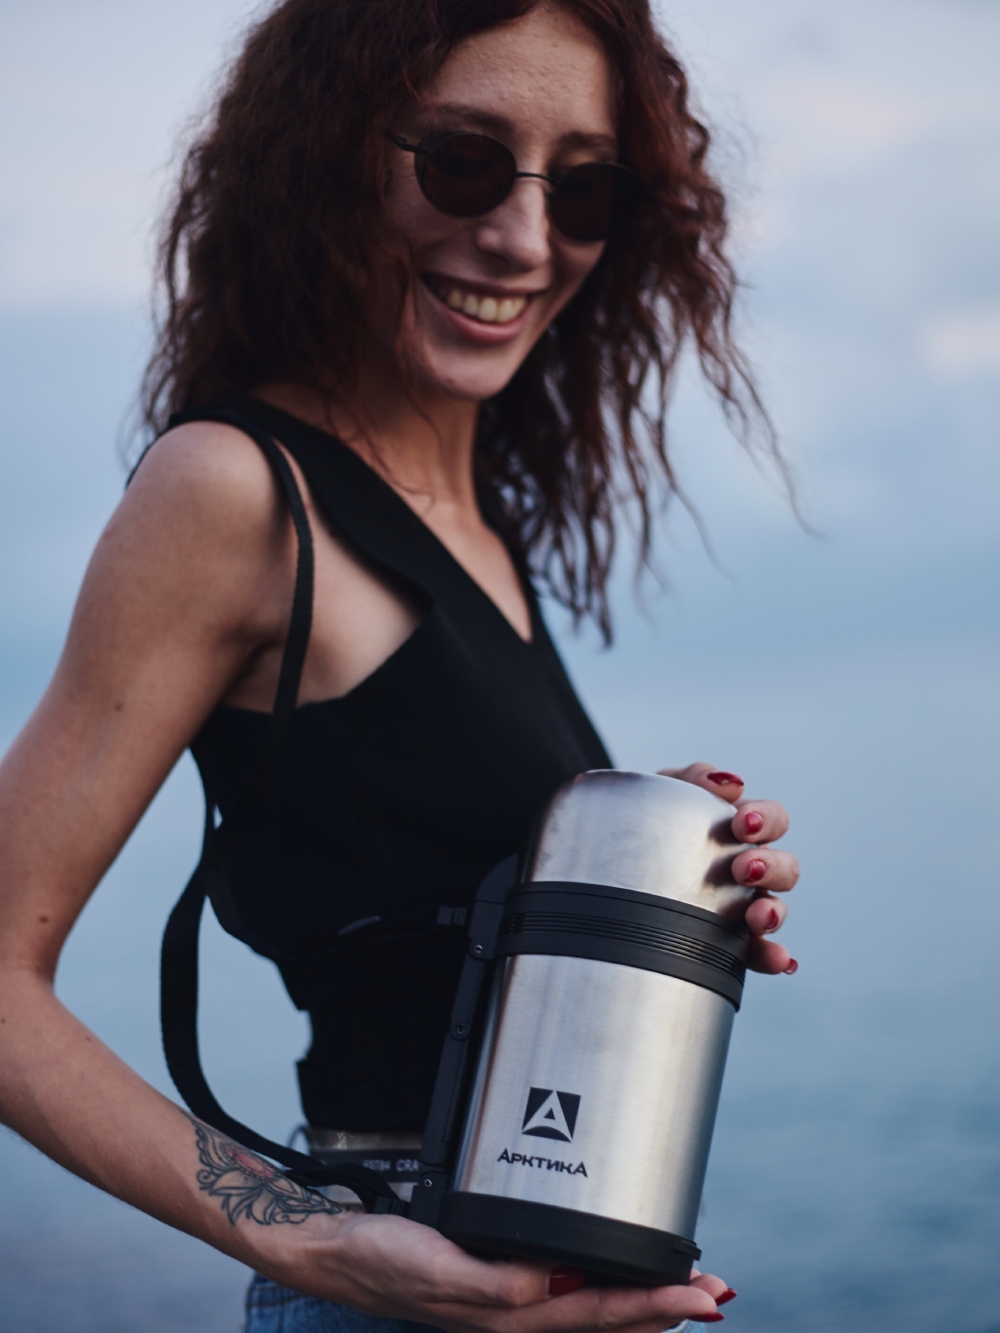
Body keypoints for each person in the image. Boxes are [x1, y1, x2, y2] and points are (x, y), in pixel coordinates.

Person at [0, 1, 801, 1330]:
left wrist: (637, 861)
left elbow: (409, 875)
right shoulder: (235, 493)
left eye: (584, 188)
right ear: (327, 156)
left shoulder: (475, 518)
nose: (526, 238)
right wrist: (313, 1238)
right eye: (465, 163)